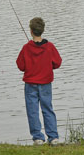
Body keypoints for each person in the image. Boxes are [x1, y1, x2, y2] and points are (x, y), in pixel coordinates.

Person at [16, 17, 62, 146]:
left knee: (33, 110)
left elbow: (20, 66)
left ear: (31, 31)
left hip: (31, 85)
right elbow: (57, 63)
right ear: (42, 30)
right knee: (48, 109)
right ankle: (53, 137)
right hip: (46, 84)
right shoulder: (50, 47)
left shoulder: (26, 48)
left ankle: (38, 138)